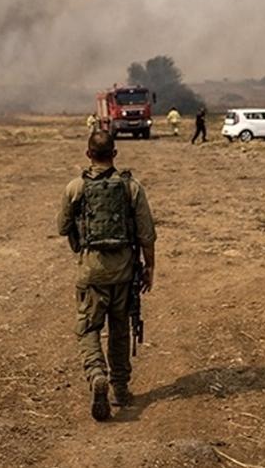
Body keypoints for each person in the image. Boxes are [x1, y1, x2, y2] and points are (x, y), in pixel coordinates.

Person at [57, 130, 155, 421]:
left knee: (88, 328)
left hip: (91, 272)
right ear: (114, 154)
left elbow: (63, 226)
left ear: (88, 155)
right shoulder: (131, 188)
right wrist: (150, 268)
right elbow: (147, 234)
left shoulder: (75, 187)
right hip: (124, 273)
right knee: (120, 329)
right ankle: (121, 388)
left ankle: (97, 373)